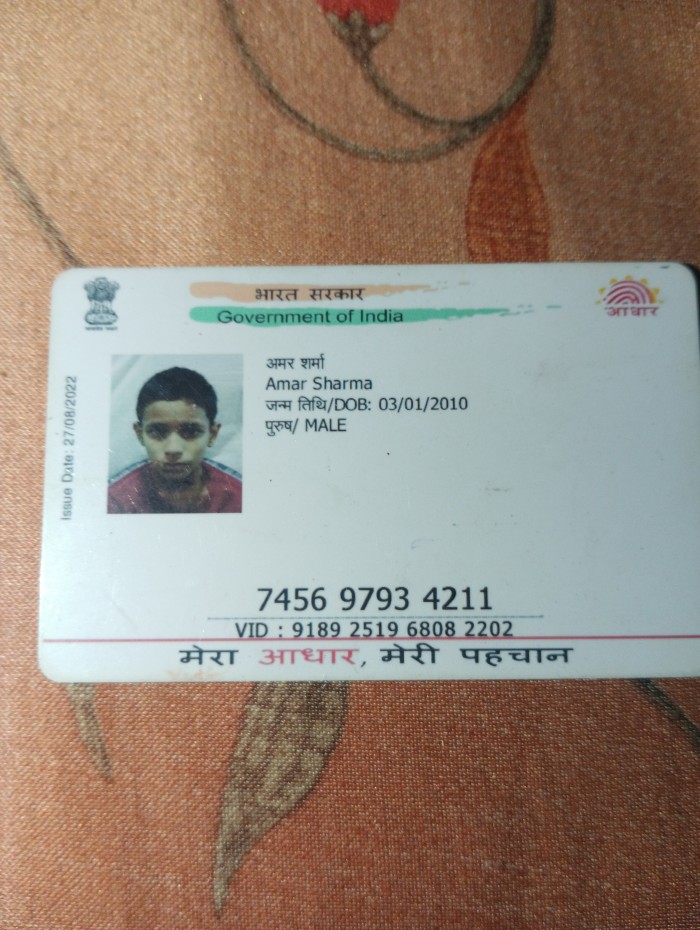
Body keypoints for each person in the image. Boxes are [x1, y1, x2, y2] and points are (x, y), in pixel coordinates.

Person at [108, 367, 242, 513]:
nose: (173, 449)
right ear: (140, 434)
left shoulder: (238, 496)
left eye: (191, 432)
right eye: (157, 432)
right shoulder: (114, 499)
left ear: (212, 434)